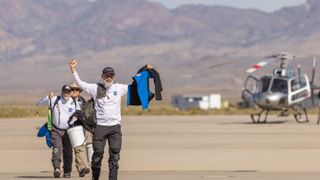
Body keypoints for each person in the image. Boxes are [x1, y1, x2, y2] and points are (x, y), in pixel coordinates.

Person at [69, 59, 152, 180]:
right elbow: (80, 83)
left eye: (111, 76)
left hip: (115, 127)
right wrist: (73, 69)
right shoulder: (95, 88)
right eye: (106, 76)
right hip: (100, 127)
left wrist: (144, 69)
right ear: (102, 76)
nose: (109, 78)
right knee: (97, 155)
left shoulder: (119, 88)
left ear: (113, 77)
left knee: (115, 157)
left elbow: (135, 84)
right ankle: (95, 177)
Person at [37, 85, 79, 178]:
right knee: (57, 149)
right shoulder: (55, 99)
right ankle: (57, 168)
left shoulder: (74, 102)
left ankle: (67, 171)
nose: (66, 94)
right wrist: (48, 97)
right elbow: (39, 103)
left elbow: (79, 113)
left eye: (68, 92)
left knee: (68, 151)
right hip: (56, 130)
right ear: (61, 92)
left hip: (69, 131)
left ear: (70, 93)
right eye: (65, 92)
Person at [70, 82, 91, 177]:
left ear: (79, 91)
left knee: (78, 147)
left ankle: (81, 168)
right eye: (72, 89)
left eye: (76, 89)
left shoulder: (82, 100)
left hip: (80, 127)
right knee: (67, 151)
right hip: (67, 127)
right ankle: (63, 168)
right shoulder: (65, 100)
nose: (74, 91)